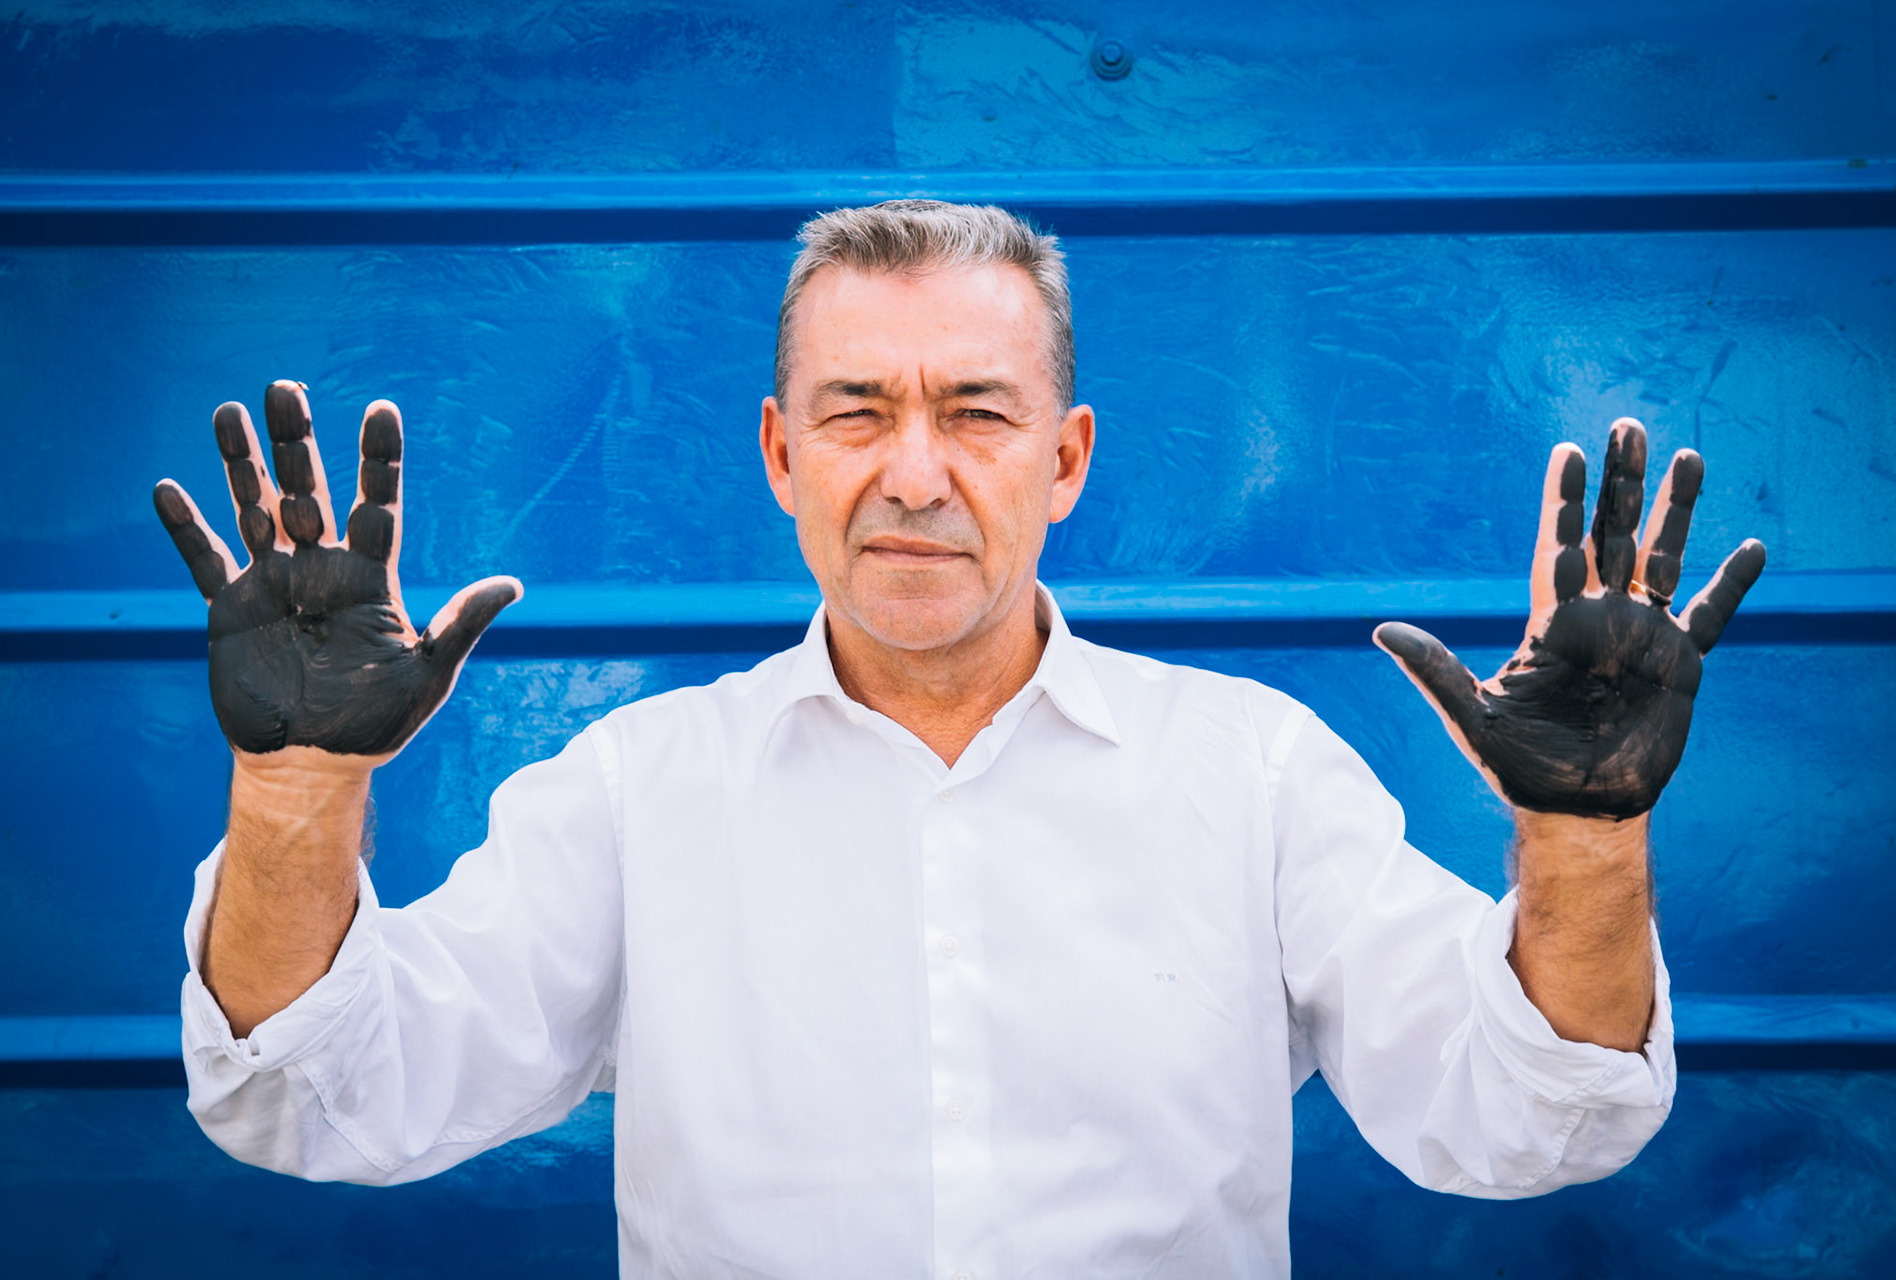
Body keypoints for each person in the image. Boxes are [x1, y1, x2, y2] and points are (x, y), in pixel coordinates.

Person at [153, 200, 1766, 1278]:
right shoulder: (639, 793)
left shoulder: (1253, 773)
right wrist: (296, 786)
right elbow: (316, 1095)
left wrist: (1584, 836)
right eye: (857, 411)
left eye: (977, 413)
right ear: (781, 456)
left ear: (1064, 462)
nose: (913, 474)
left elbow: (1530, 1117)